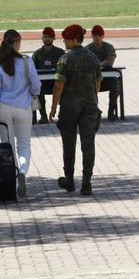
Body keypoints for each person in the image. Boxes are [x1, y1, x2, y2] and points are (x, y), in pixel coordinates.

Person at [0, 29, 41, 198]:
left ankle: (14, 180)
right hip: (23, 107)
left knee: (7, 145)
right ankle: (22, 171)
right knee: (24, 145)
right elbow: (36, 87)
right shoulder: (26, 61)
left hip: (3, 108)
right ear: (17, 43)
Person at [49, 24, 101, 196]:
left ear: (72, 40)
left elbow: (59, 84)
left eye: (65, 38)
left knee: (68, 143)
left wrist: (53, 106)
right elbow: (98, 82)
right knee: (88, 143)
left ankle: (69, 180)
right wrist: (93, 98)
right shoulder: (92, 57)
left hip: (70, 107)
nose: (63, 41)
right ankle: (87, 182)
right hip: (90, 105)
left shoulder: (65, 59)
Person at [31, 27, 65, 125]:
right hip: (43, 84)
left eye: (50, 37)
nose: (47, 39)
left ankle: (62, 115)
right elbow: (33, 71)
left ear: (54, 38)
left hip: (57, 82)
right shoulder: (37, 54)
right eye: (45, 37)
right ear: (42, 38)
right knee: (37, 90)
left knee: (66, 89)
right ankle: (43, 116)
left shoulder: (60, 52)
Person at [86, 25, 119, 121]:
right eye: (95, 35)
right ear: (91, 36)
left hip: (107, 79)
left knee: (115, 83)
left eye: (99, 35)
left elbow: (110, 62)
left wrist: (97, 64)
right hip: (92, 79)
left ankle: (111, 110)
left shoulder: (109, 47)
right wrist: (102, 64)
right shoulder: (87, 49)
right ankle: (93, 110)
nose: (97, 38)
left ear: (103, 36)